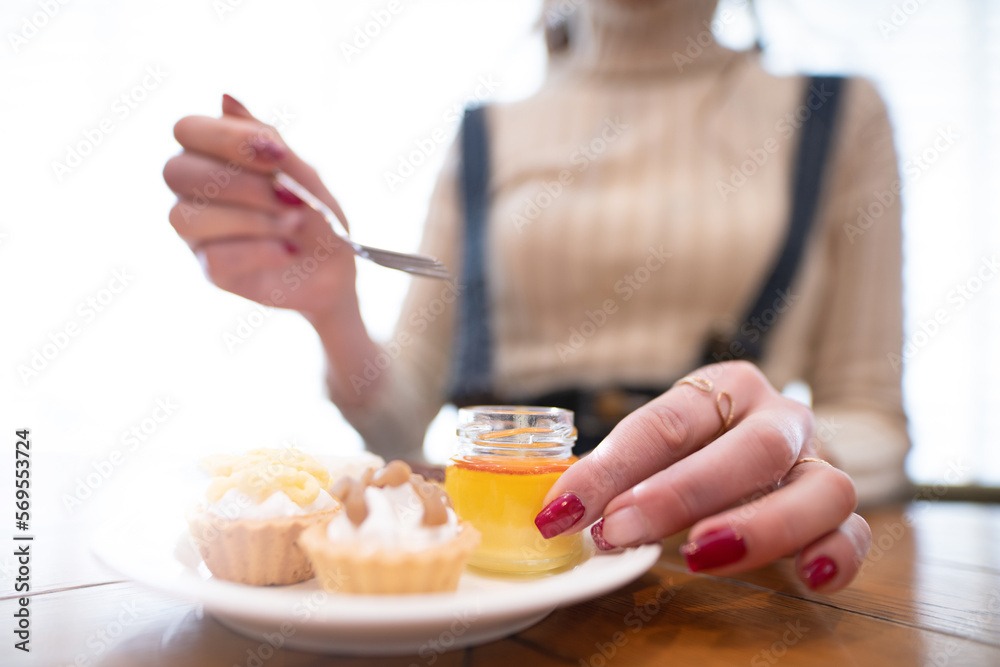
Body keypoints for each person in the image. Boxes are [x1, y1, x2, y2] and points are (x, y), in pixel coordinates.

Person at [163, 0, 908, 592]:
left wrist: (789, 453)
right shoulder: (485, 134)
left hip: (720, 574)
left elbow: (873, 414)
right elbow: (399, 421)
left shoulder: (839, 118)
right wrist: (331, 309)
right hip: (500, 566)